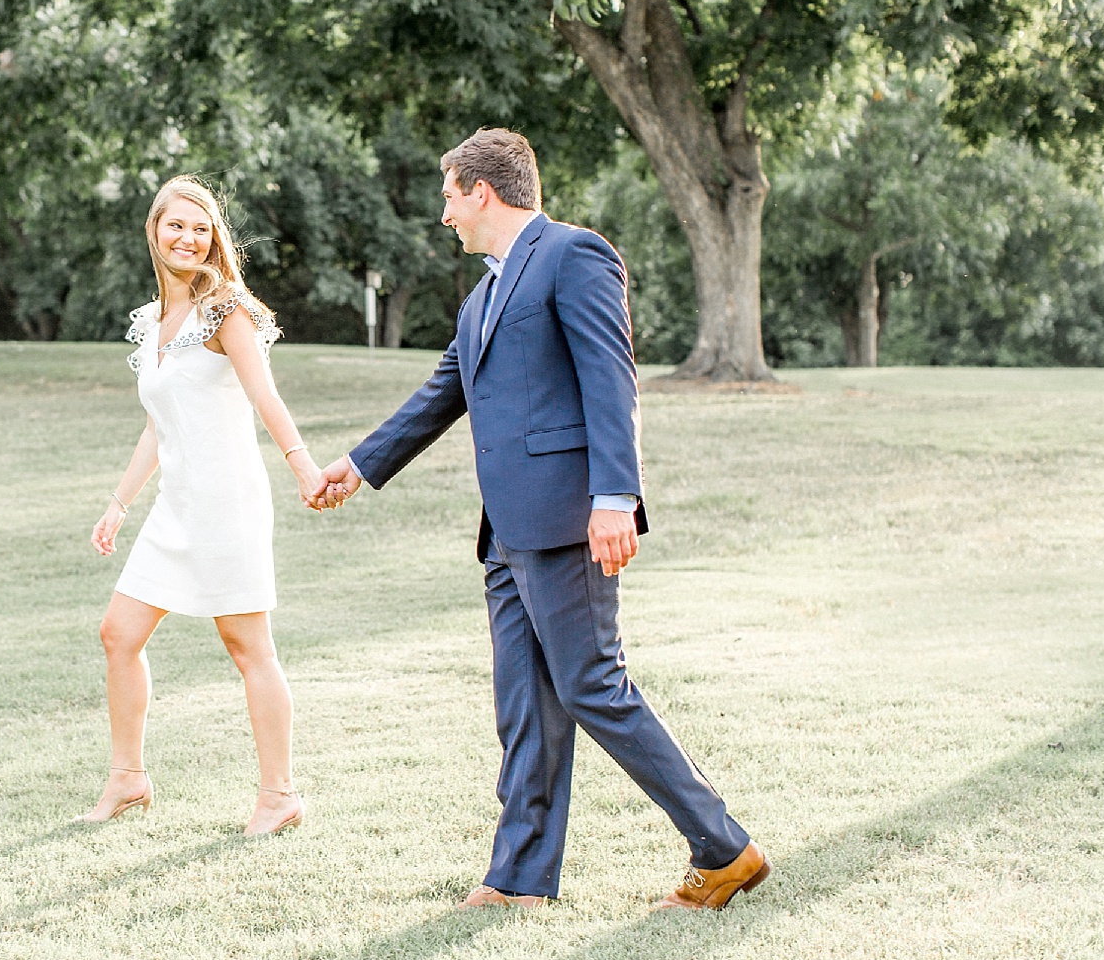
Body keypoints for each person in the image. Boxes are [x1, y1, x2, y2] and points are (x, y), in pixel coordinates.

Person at [313, 128, 769, 910]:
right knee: (524, 704)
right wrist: (357, 465)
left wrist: (615, 498)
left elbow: (610, 379)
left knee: (593, 687)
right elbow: (441, 395)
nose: (445, 215)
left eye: (450, 197)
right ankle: (520, 877)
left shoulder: (573, 254)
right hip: (506, 533)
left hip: (568, 521)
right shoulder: (479, 300)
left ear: (481, 191)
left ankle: (724, 848)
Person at [86, 175, 327, 837]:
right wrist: (118, 504)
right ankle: (128, 778)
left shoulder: (227, 312)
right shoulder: (153, 323)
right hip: (175, 507)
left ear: (214, 237)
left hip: (228, 504)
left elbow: (265, 396)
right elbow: (158, 425)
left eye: (201, 228)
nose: (188, 238)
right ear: (154, 230)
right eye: (176, 225)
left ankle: (279, 795)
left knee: (248, 647)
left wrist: (304, 467)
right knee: (118, 634)